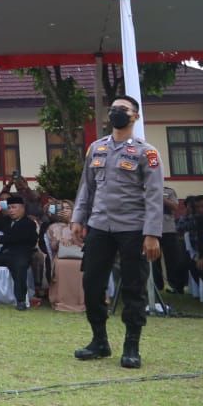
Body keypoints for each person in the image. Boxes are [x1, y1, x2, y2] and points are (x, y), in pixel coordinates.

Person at [71, 95, 163, 369]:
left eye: (122, 110)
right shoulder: (96, 148)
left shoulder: (148, 153)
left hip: (133, 229)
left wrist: (152, 233)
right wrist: (78, 218)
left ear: (135, 116)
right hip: (100, 225)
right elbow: (86, 187)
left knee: (134, 288)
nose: (115, 114)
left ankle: (131, 346)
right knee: (91, 285)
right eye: (113, 109)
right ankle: (99, 340)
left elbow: (154, 195)